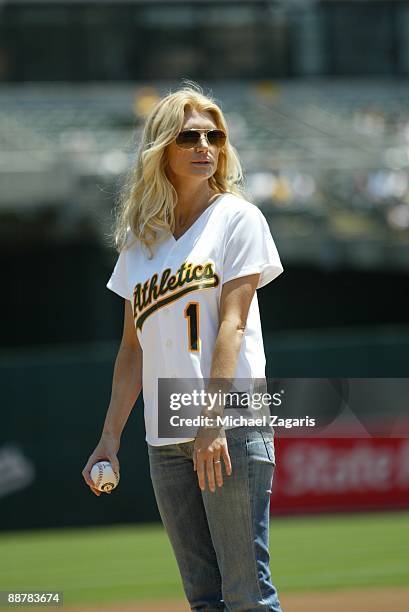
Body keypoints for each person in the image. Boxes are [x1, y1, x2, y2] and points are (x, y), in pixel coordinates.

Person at [82, 82, 284, 611]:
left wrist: (211, 421)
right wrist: (110, 437)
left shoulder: (238, 218)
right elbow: (132, 348)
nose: (205, 145)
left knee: (247, 596)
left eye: (214, 135)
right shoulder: (140, 238)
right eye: (189, 135)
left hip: (229, 422)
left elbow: (232, 327)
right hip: (163, 436)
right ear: (162, 148)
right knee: (203, 598)